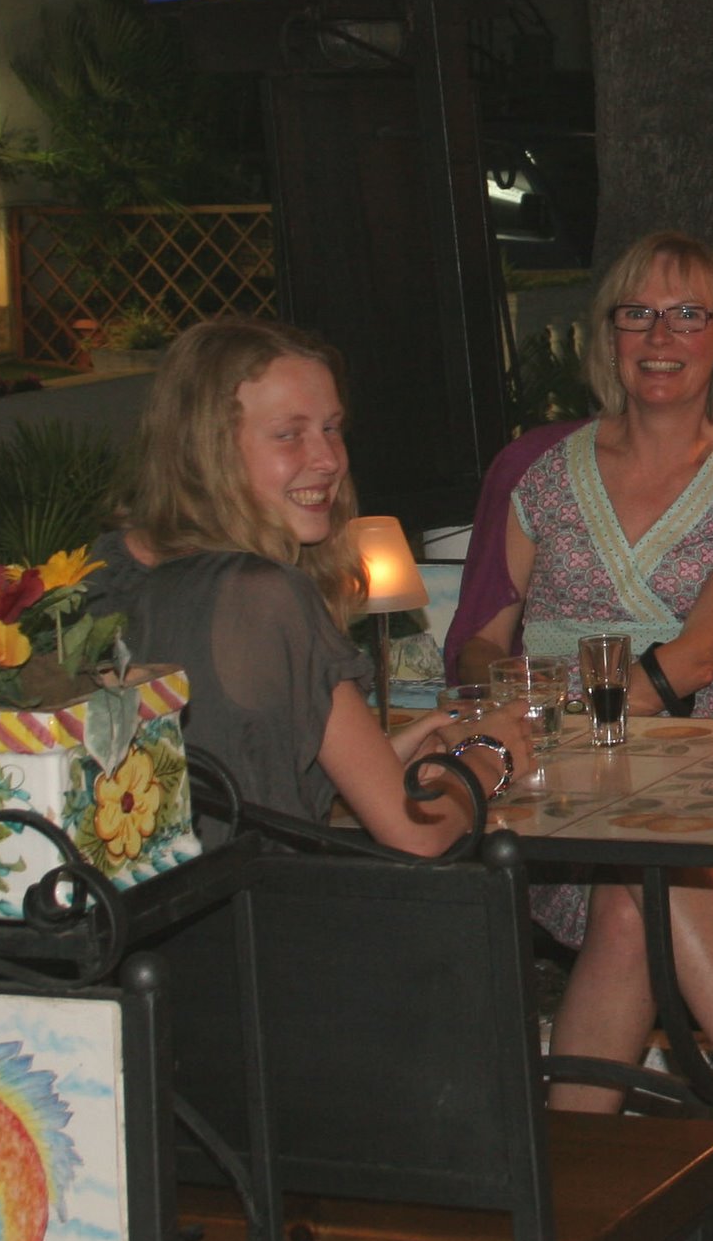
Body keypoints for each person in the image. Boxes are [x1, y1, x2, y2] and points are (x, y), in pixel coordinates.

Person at [442, 231, 713, 1224]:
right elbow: (479, 639)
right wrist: (515, 693)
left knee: (642, 882)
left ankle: (563, 1206)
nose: (660, 336)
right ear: (607, 335)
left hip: (696, 776)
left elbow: (697, 657)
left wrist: (578, 715)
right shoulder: (536, 469)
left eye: (686, 315)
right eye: (637, 313)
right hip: (547, 780)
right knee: (640, 881)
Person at [90, 317, 540, 856]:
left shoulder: (106, 569)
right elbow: (417, 833)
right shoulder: (259, 593)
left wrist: (391, 754)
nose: (329, 459)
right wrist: (490, 758)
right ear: (205, 448)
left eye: (331, 428)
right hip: (264, 903)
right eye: (289, 434)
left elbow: (227, 774)